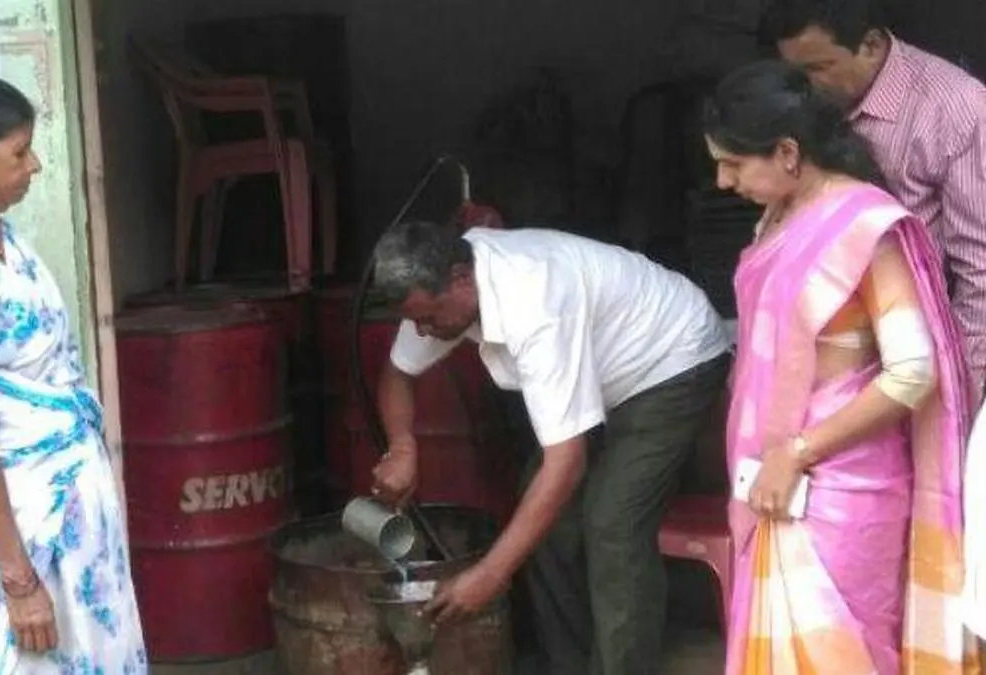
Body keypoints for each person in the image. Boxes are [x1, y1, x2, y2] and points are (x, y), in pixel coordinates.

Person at [704, 60, 977, 673]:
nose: (722, 181)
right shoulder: (777, 219)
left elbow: (912, 371)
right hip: (773, 477)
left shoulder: (863, 227)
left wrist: (797, 452)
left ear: (788, 152)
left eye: (734, 163)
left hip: (842, 490)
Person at [369, 218, 732, 674]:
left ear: (461, 278)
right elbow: (397, 373)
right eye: (414, 321)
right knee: (545, 513)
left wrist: (490, 574)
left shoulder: (534, 301)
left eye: (428, 318)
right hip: (603, 375)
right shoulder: (441, 287)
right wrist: (402, 447)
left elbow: (566, 464)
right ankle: (569, 665)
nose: (422, 332)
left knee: (613, 519)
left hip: (672, 359)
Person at [0, 72, 147, 672]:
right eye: (19, 153)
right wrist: (17, 582)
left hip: (69, 512)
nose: (35, 165)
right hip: (19, 534)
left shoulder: (4, 242)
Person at [761, 0, 986, 391]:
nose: (807, 86)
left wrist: (962, 384)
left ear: (871, 45)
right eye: (795, 73)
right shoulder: (806, 101)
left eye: (819, 67)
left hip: (916, 347)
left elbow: (979, 267)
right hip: (827, 339)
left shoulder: (955, 109)